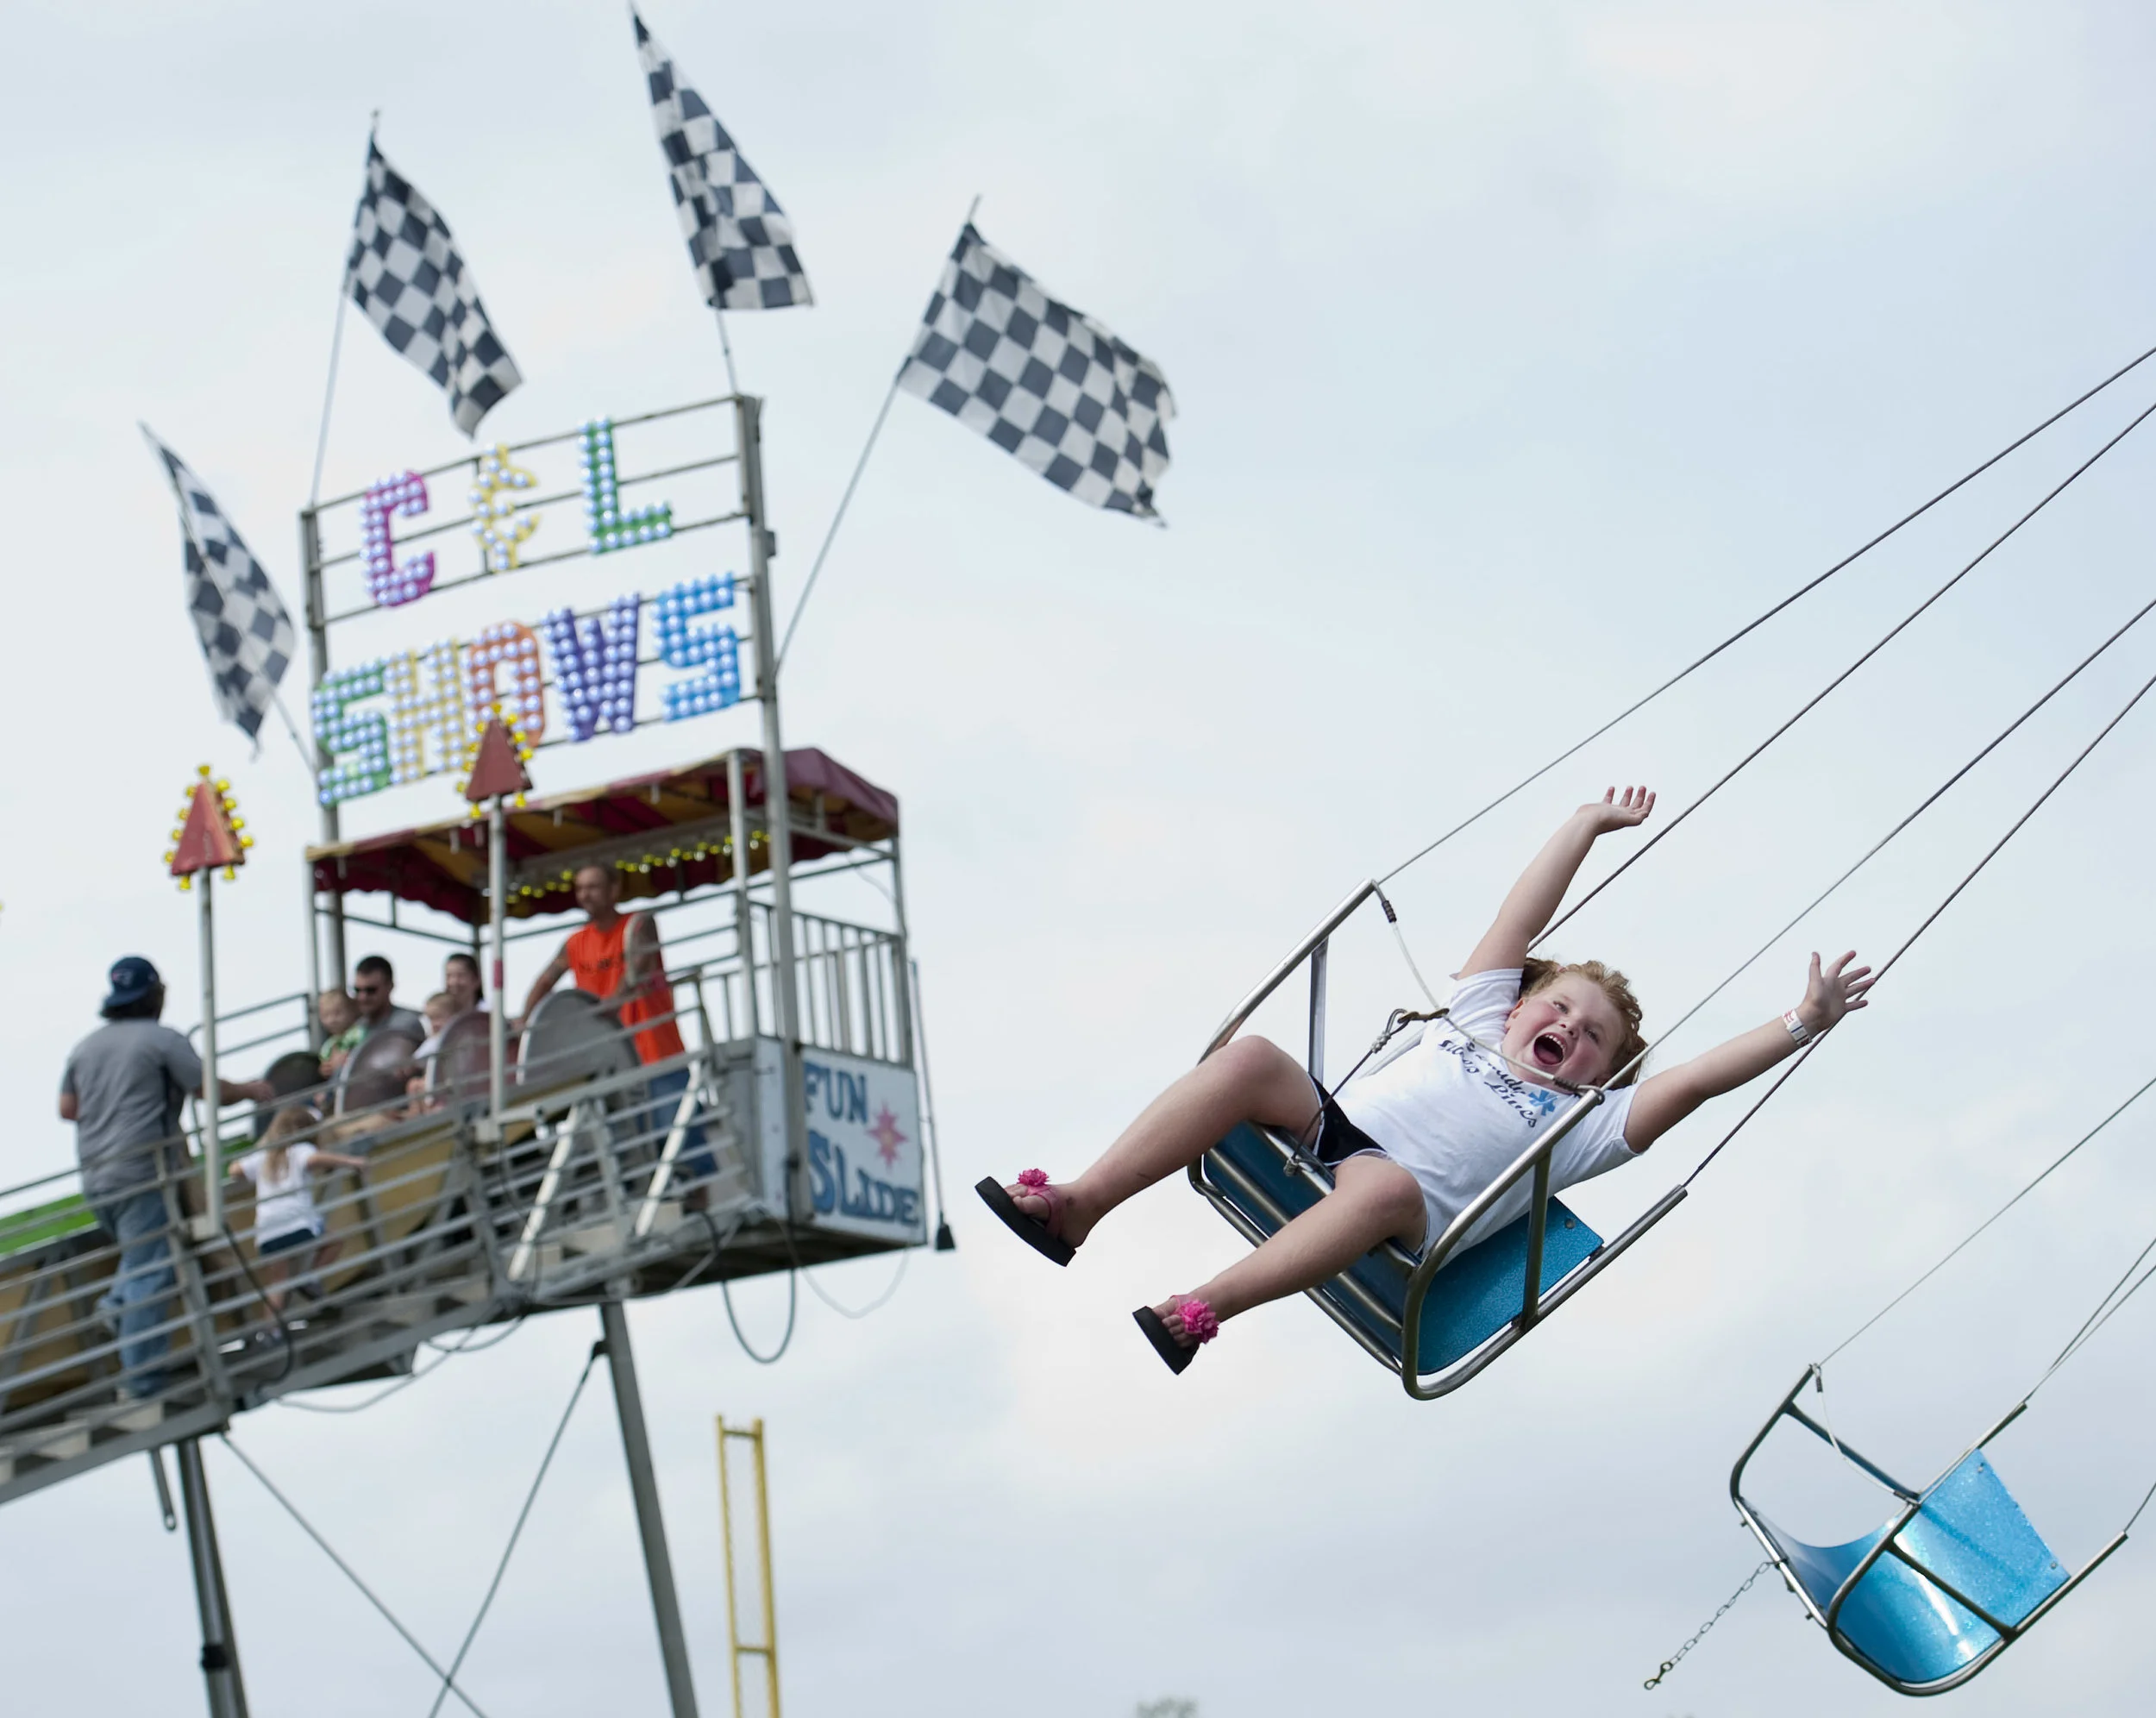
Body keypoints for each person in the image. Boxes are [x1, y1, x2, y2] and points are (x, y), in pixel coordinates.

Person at [978, 788, 1876, 1374]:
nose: (1566, 1029)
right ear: (1518, 1003)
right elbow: (1520, 918)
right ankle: (1079, 1206)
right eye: (1557, 1010)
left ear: (1608, 1073)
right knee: (1252, 1056)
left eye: (1593, 1039)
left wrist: (1802, 1022)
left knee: (1384, 1187)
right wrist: (1582, 828)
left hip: (1403, 1211)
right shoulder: (1478, 1017)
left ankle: (1198, 1311)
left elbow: (1699, 1082)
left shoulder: (1586, 1124)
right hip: (1331, 1136)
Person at [60, 956, 277, 1399]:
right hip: (144, 1172)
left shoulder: (85, 1047)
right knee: (153, 1273)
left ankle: (115, 1308)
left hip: (97, 1175)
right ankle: (143, 1381)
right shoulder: (161, 1041)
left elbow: (68, 1109)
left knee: (143, 1257)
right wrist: (251, 1090)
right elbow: (208, 1090)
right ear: (155, 995)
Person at [521, 862, 718, 1201]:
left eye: (593, 887)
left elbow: (638, 965)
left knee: (677, 1131)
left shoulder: (638, 924)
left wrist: (614, 1002)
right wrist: (526, 1019)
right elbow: (545, 980)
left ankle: (700, 1201)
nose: (585, 895)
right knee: (625, 1143)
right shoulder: (576, 943)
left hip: (654, 1049)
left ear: (614, 890)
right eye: (581, 888)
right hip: (609, 1059)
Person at [228, 1107, 365, 1327]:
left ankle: (270, 1332)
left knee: (278, 1282)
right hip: (298, 1223)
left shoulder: (263, 1157)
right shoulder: (300, 1149)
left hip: (267, 1230)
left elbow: (234, 1170)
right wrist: (352, 1162)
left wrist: (257, 1152)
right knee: (334, 1242)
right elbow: (314, 1160)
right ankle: (311, 1278)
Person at [351, 955, 426, 1044]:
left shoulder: (406, 1024)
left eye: (371, 990)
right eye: (357, 990)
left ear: (390, 986)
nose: (362, 997)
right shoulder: (357, 1027)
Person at [317, 988, 362, 1079]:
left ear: (351, 1011)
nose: (332, 1020)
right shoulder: (328, 1045)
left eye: (337, 1013)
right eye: (326, 1015)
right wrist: (324, 1070)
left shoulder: (359, 1033)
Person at [442, 951, 486, 1019]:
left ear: (477, 980)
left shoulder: (489, 1016)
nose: (454, 982)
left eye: (461, 975)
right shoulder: (437, 1018)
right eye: (449, 976)